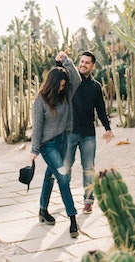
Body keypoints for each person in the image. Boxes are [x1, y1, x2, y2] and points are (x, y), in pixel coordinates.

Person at [29, 51, 82, 238]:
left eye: (63, 86)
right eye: (59, 86)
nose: (62, 88)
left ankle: (43, 210)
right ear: (52, 84)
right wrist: (34, 150)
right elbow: (37, 127)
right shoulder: (40, 101)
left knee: (50, 176)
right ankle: (73, 219)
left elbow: (76, 79)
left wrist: (66, 60)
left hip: (64, 140)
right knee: (63, 177)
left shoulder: (66, 93)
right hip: (48, 145)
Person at [65, 51, 113, 214]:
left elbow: (100, 110)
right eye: (82, 61)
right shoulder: (71, 80)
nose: (83, 64)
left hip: (88, 134)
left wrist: (107, 128)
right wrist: (59, 61)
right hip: (70, 132)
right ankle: (66, 196)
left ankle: (88, 200)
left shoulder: (96, 87)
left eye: (87, 62)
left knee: (89, 168)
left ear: (93, 66)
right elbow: (59, 74)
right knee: (66, 166)